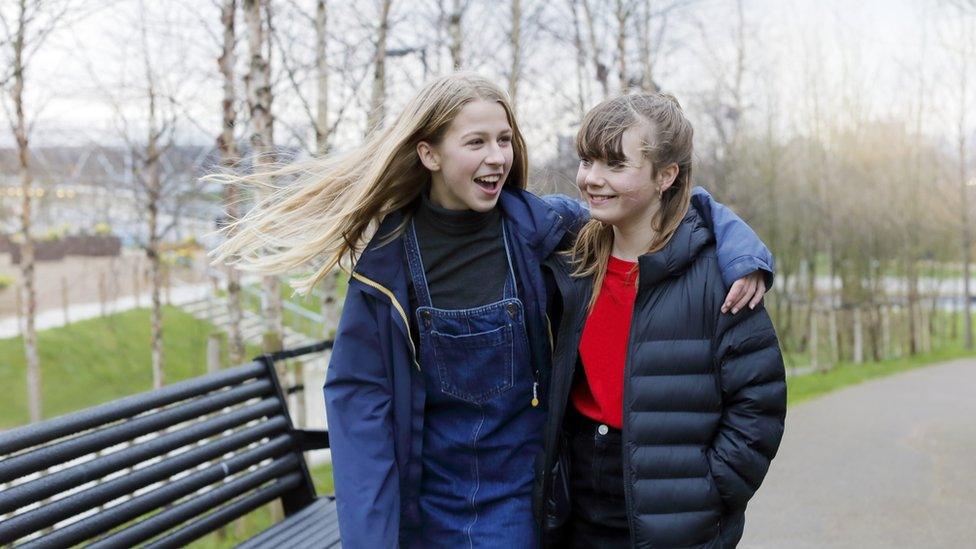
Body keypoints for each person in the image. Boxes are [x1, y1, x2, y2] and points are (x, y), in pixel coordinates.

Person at [212, 73, 772, 548]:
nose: (498, 156)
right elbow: (361, 413)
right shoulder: (386, 270)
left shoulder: (537, 229)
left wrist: (745, 251)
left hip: (523, 508)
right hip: (427, 507)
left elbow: (671, 206)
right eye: (476, 142)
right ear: (428, 153)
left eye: (504, 139)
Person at [534, 93, 786, 549]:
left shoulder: (721, 276)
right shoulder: (571, 258)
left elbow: (758, 403)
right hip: (578, 511)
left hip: (676, 515)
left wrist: (708, 493)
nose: (591, 178)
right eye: (587, 160)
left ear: (666, 175)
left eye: (614, 164)